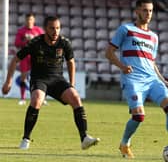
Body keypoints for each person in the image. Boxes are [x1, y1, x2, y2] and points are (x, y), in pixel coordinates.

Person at [2, 16, 100, 150]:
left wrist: (71, 84)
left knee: (76, 98)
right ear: (45, 29)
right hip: (39, 79)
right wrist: (8, 81)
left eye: (58, 28)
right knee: (37, 100)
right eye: (52, 28)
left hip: (57, 80)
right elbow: (15, 60)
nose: (55, 31)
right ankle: (26, 139)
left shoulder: (64, 42)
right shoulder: (36, 42)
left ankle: (84, 138)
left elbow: (71, 62)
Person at [105, 0, 168, 159]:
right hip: (133, 79)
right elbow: (109, 53)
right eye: (145, 10)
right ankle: (125, 144)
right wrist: (122, 67)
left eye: (151, 11)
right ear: (137, 11)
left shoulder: (154, 37)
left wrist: (162, 79)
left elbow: (151, 62)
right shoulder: (126, 30)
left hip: (152, 79)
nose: (148, 14)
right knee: (139, 116)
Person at [15, 13, 45, 105]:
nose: (29, 21)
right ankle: (23, 98)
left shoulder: (38, 30)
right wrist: (25, 40)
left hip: (36, 56)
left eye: (31, 19)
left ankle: (41, 98)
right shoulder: (21, 31)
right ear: (25, 20)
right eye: (28, 19)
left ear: (33, 20)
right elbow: (16, 43)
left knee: (39, 78)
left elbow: (44, 42)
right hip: (25, 56)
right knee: (23, 77)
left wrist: (34, 38)